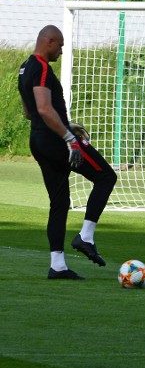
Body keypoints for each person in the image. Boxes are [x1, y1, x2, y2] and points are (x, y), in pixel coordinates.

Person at [18, 25, 117, 280]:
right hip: (55, 142)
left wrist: (64, 122)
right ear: (49, 41)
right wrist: (69, 138)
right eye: (60, 45)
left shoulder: (24, 67)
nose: (61, 51)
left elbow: (29, 112)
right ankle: (85, 237)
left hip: (39, 140)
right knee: (106, 177)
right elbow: (42, 108)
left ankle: (58, 265)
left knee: (59, 202)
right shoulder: (40, 67)